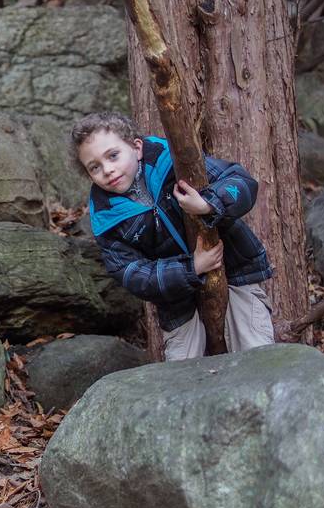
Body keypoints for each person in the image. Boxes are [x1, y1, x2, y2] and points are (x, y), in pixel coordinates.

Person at [70, 112, 275, 360]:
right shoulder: (106, 217)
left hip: (236, 273)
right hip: (177, 304)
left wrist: (208, 204)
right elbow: (132, 273)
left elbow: (240, 182)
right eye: (95, 167)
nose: (108, 170)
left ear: (136, 147)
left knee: (258, 355)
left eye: (113, 156)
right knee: (180, 374)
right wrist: (193, 267)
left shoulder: (173, 162)